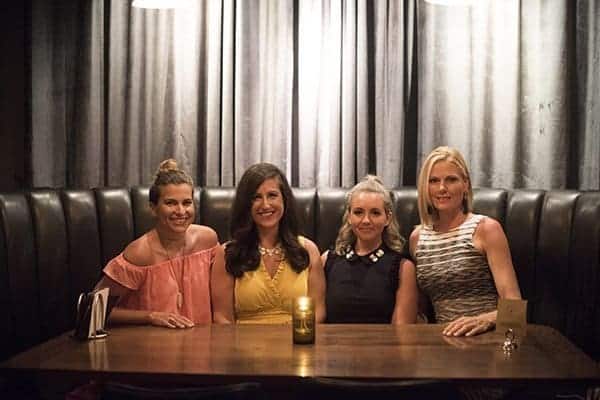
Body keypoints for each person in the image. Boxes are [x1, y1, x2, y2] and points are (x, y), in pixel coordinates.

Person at [94, 159, 228, 328]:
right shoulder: (139, 253)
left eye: (187, 203)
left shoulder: (208, 240)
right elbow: (95, 309)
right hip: (151, 342)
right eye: (170, 203)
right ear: (153, 208)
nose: (181, 211)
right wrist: (150, 316)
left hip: (202, 340)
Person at [410, 146, 522, 336]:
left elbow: (515, 307)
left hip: (487, 337)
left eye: (451, 179)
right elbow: (420, 310)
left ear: (465, 185)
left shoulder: (486, 229)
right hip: (443, 341)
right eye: (434, 181)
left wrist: (483, 320)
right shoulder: (417, 238)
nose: (442, 188)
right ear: (425, 188)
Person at [212, 163, 326, 324]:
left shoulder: (308, 250)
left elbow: (318, 311)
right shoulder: (227, 254)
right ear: (246, 204)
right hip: (242, 340)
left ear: (284, 200)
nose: (265, 205)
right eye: (256, 197)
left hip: (296, 338)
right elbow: (222, 317)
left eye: (272, 195)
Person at [321, 175, 418, 324]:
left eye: (375, 213)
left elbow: (402, 331)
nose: (366, 220)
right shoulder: (326, 260)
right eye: (358, 212)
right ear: (349, 216)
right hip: (333, 340)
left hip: (385, 340)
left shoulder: (404, 268)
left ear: (387, 218)